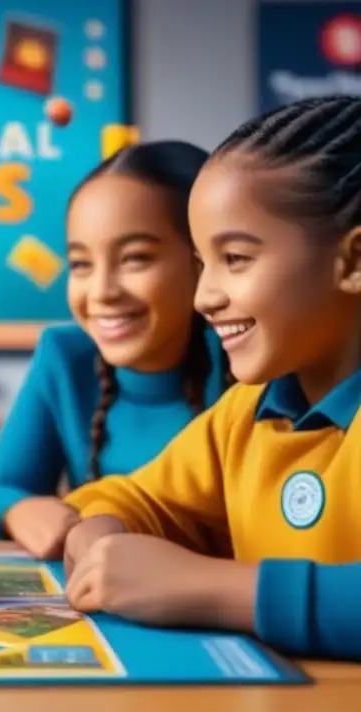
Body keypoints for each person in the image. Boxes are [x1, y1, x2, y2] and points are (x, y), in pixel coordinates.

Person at [61, 96, 361, 661]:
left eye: (238, 258)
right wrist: (100, 534)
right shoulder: (246, 412)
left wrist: (213, 589)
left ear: (353, 260)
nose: (204, 297)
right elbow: (134, 496)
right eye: (203, 261)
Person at [0, 141, 229, 554]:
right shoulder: (65, 356)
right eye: (81, 265)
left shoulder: (246, 361)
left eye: (135, 258)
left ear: (203, 261)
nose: (102, 291)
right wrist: (22, 510)